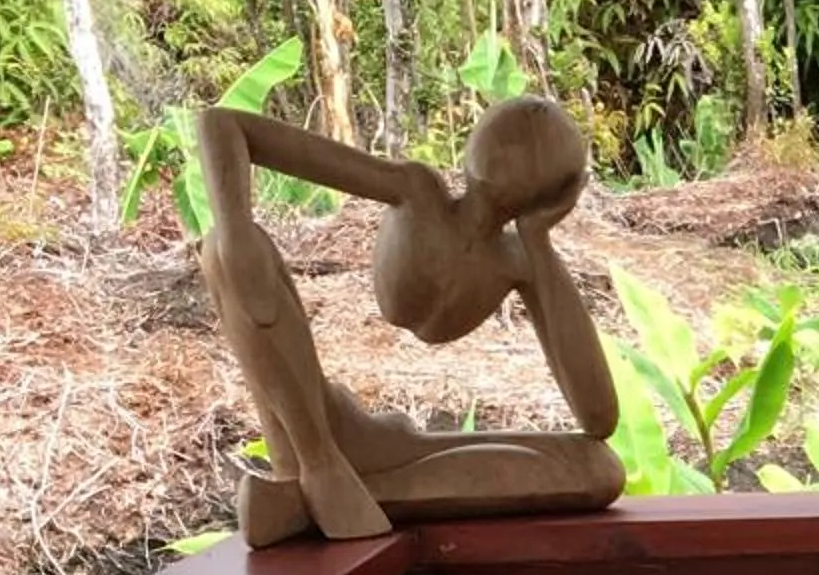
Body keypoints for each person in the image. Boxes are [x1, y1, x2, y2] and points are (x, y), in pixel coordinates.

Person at [195, 96, 625, 546]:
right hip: (313, 419)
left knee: (598, 468)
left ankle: (309, 498)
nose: (512, 153)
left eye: (531, 151)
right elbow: (223, 124)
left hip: (392, 453)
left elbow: (599, 419)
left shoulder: (518, 259)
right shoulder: (417, 191)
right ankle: (315, 463)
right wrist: (235, 224)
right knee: (222, 246)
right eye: (511, 138)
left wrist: (538, 241)